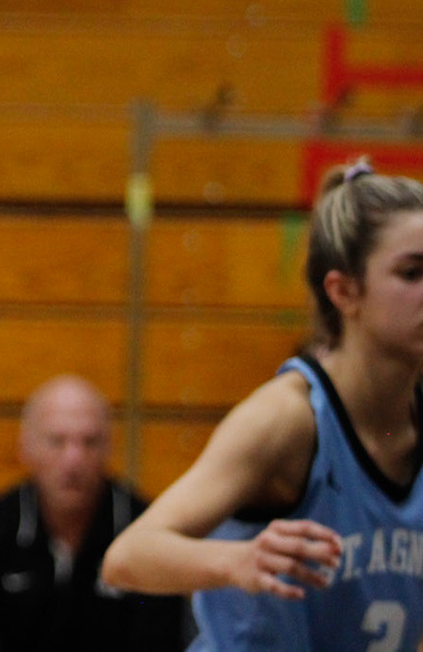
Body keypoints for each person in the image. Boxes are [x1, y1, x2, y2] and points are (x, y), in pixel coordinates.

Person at [102, 160, 423, 649]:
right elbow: (128, 556)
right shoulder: (287, 419)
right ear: (344, 291)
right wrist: (238, 560)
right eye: (412, 273)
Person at [0, 375, 185, 652]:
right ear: (25, 448)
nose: (73, 460)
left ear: (109, 448)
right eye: (57, 442)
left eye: (90, 442)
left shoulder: (147, 530)